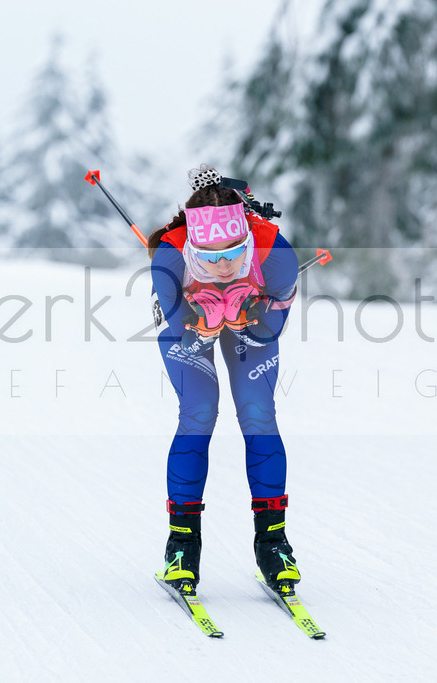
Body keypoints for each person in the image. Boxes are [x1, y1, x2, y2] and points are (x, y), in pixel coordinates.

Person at [147, 165, 300, 596]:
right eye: (210, 257)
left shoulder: (274, 251)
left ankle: (274, 545)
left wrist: (248, 317)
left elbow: (272, 331)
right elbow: (182, 340)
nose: (224, 265)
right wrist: (202, 328)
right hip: (190, 325)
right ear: (193, 243)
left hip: (254, 315)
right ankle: (182, 546)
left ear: (248, 237)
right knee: (199, 412)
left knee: (258, 413)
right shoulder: (171, 257)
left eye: (234, 252)